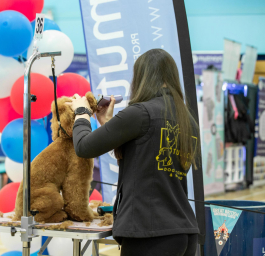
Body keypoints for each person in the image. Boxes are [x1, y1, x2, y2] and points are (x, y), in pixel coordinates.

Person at [67, 49, 200, 256]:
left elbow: (84, 147)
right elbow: (145, 160)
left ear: (141, 77)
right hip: (184, 231)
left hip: (150, 234)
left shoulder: (141, 112)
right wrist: (109, 125)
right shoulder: (187, 120)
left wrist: (81, 113)